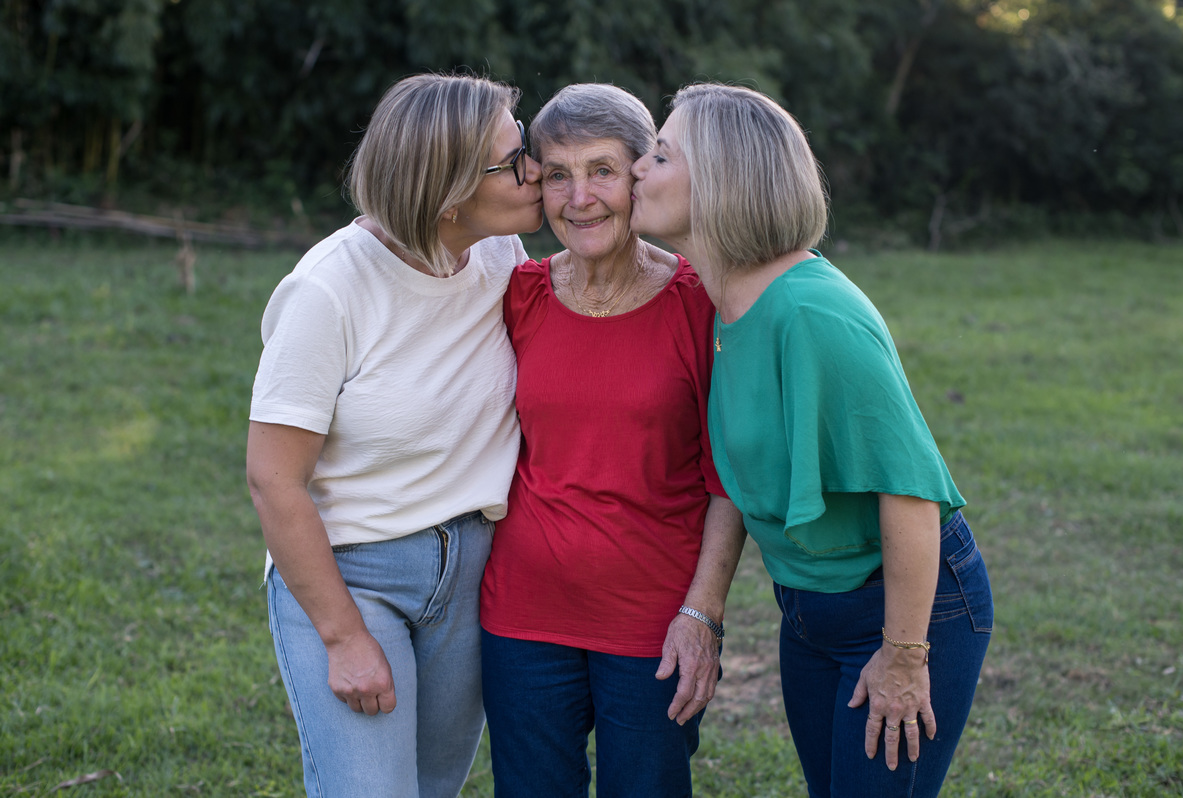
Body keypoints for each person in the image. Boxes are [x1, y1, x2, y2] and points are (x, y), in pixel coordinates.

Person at [630, 82, 993, 797]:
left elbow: (912, 495)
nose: (639, 167)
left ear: (724, 180)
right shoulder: (721, 301)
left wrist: (904, 655)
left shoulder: (814, 314)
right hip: (807, 613)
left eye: (660, 154)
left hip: (904, 613)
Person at [245, 73, 543, 798]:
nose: (535, 171)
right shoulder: (328, 291)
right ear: (446, 193)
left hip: (474, 570)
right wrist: (344, 637)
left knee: (435, 787)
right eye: (514, 163)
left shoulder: (501, 257)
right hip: (356, 576)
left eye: (524, 146)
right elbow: (272, 478)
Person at [478, 83, 746, 798]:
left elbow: (729, 479)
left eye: (601, 170)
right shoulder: (519, 294)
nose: (579, 198)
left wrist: (703, 613)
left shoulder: (698, 304)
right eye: (558, 174)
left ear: (639, 175)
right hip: (522, 615)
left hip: (654, 622)